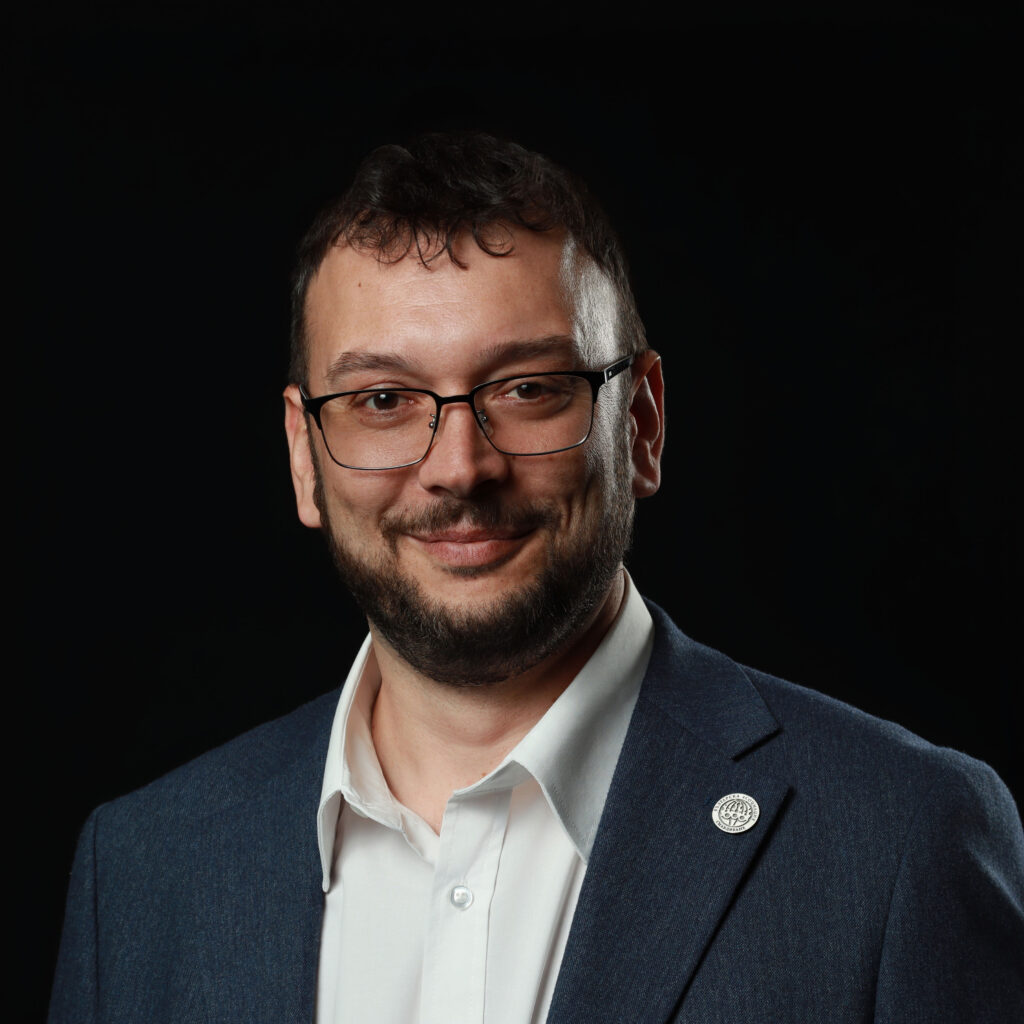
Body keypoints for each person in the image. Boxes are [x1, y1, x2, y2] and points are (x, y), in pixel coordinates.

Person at [49, 133, 1024, 1023]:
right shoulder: (141, 870)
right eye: (383, 399)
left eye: (527, 389)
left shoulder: (900, 840)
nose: (459, 467)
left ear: (640, 425)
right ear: (305, 456)